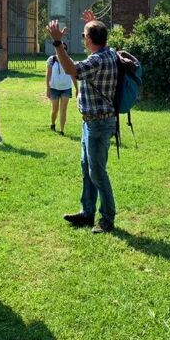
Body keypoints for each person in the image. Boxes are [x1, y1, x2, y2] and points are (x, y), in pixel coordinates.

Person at [47, 13, 118, 234]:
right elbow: (99, 39)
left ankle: (107, 218)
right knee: (87, 169)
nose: (82, 37)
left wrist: (58, 42)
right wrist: (94, 22)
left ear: (89, 39)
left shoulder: (97, 60)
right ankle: (87, 213)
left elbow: (72, 70)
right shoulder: (109, 52)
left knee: (97, 172)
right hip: (91, 123)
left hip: (98, 124)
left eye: (84, 34)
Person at [45, 41, 78, 135]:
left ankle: (62, 130)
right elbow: (48, 75)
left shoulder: (69, 60)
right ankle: (52, 123)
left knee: (63, 109)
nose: (61, 50)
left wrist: (77, 88)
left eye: (64, 48)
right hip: (54, 88)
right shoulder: (51, 59)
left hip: (66, 88)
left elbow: (73, 75)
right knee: (55, 109)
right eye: (59, 48)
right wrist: (48, 88)